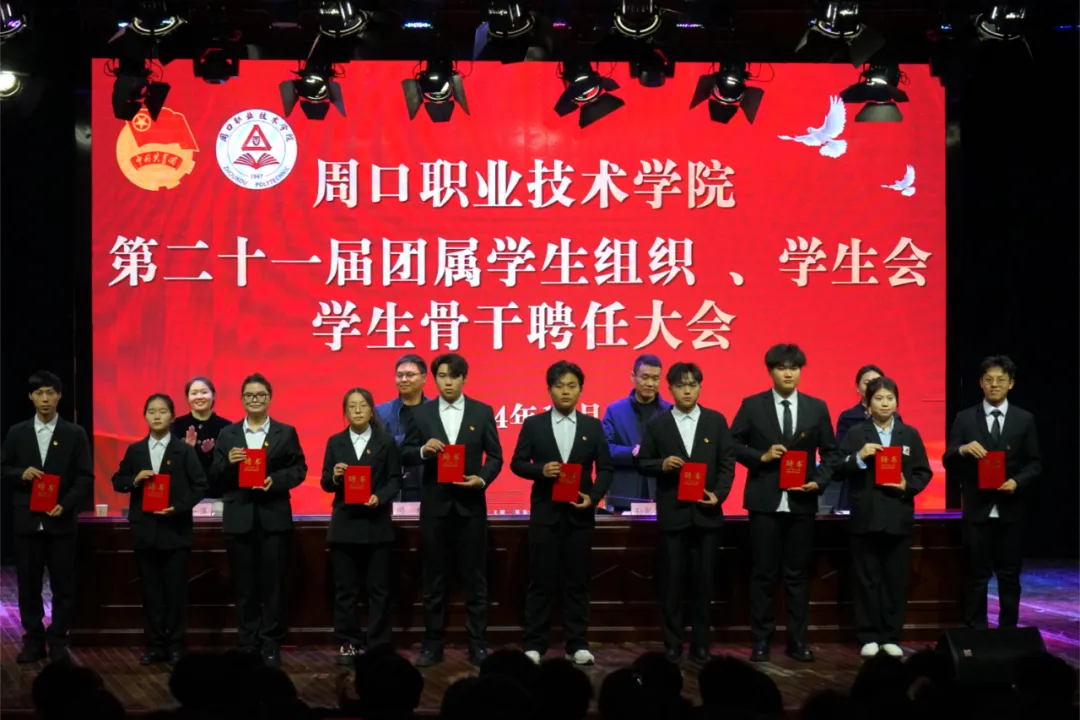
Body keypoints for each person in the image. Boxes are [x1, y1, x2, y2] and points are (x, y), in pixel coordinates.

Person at [730, 343, 838, 663]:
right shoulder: (752, 405)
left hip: (802, 501)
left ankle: (797, 640)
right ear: (770, 371)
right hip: (764, 501)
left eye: (794, 368)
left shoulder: (816, 407)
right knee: (763, 574)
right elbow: (732, 443)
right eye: (781, 367)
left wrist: (819, 481)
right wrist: (760, 457)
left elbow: (831, 453)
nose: (788, 373)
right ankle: (761, 640)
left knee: (797, 575)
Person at [401, 353, 503, 667]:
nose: (448, 382)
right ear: (434, 379)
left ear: (463, 379)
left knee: (475, 579)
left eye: (454, 376)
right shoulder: (422, 413)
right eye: (442, 376)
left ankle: (478, 644)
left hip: (471, 507)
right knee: (434, 579)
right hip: (435, 508)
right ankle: (433, 644)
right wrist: (422, 450)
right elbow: (405, 452)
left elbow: (495, 456)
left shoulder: (481, 411)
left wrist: (481, 480)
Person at [510, 360, 614, 666]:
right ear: (549, 390)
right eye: (559, 386)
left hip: (579, 516)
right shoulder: (534, 424)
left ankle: (577, 643)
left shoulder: (592, 426)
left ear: (581, 390)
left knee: (577, 582)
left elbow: (605, 469)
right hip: (546, 515)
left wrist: (593, 498)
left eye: (571, 386)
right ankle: (534, 644)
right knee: (540, 581)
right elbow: (517, 463)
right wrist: (541, 470)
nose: (565, 391)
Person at [637, 361, 736, 663]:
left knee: (704, 584)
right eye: (681, 385)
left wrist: (718, 495)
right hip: (674, 515)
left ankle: (701, 645)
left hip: (707, 515)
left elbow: (727, 464)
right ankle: (672, 644)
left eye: (693, 385)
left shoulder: (715, 421)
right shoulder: (658, 424)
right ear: (670, 388)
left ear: (700, 387)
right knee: (672, 583)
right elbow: (643, 462)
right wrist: (662, 464)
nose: (687, 391)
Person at [211, 373, 307, 668]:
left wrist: (274, 481)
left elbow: (299, 469)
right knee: (244, 586)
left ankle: (270, 642)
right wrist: (230, 463)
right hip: (239, 518)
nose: (255, 400)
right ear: (242, 399)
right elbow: (213, 475)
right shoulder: (228, 434)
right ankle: (248, 642)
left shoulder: (285, 432)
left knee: (273, 585)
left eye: (260, 395)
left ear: (269, 398)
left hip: (273, 517)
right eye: (249, 395)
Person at [0, 370, 93, 664]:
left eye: (50, 393)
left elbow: (85, 477)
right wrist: (20, 473)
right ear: (30, 396)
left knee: (63, 585)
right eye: (39, 393)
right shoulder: (17, 432)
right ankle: (33, 640)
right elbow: (3, 468)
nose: (45, 399)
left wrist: (65, 505)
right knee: (28, 585)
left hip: (60, 521)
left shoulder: (74, 433)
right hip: (27, 520)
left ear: (59, 396)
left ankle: (59, 640)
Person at [836, 376, 932, 658]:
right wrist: (859, 456)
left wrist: (906, 485)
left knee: (895, 580)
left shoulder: (909, 434)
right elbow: (837, 469)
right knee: (866, 580)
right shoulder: (856, 434)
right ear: (868, 404)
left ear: (897, 402)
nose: (885, 403)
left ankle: (891, 635)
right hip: (865, 517)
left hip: (897, 516)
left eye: (890, 398)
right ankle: (868, 636)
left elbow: (923, 472)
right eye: (878, 398)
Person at [942, 355, 1041, 630]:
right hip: (977, 509)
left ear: (1011, 384)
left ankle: (1008, 632)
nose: (994, 384)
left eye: (1001, 380)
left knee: (1009, 575)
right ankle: (977, 632)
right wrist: (962, 449)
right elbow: (948, 459)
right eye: (989, 379)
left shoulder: (1024, 419)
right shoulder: (965, 418)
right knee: (976, 575)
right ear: (981, 383)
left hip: (1011, 509)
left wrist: (1017, 482)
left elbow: (1035, 463)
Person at [111, 393, 208, 666]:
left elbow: (200, 485)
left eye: (162, 411)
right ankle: (154, 645)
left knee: (176, 593)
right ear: (145, 416)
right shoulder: (136, 450)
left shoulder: (184, 451)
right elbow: (118, 481)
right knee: (150, 593)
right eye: (151, 411)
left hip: (175, 531)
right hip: (145, 532)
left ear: (172, 416)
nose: (156, 416)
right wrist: (135, 479)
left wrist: (178, 507)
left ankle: (176, 645)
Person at [320, 388, 402, 665]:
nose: (357, 410)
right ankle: (348, 642)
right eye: (352, 406)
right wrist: (335, 476)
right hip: (345, 524)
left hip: (376, 523)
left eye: (363, 405)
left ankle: (379, 644)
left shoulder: (386, 441)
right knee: (346, 590)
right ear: (345, 412)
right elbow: (325, 482)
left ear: (371, 410)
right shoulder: (335, 442)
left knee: (379, 589)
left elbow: (394, 479)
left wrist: (380, 497)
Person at [601, 354, 672, 513]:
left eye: (655, 378)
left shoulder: (670, 412)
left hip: (662, 494)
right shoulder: (614, 411)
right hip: (623, 495)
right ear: (633, 377)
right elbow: (605, 450)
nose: (650, 383)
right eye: (645, 377)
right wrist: (633, 451)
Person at [828, 365, 901, 514]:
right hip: (857, 486)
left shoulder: (897, 420)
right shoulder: (848, 417)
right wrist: (860, 455)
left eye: (877, 382)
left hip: (889, 489)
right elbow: (839, 457)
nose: (872, 386)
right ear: (857, 387)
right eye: (867, 383)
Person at [375, 354, 430, 503]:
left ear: (424, 378)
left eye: (410, 375)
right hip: (392, 492)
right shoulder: (380, 412)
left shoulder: (436, 411)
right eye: (399, 375)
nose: (404, 379)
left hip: (428, 488)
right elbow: (377, 450)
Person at [172, 377, 233, 499]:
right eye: (194, 393)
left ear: (213, 395)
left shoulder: (226, 427)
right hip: (184, 496)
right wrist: (186, 449)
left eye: (204, 392)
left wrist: (210, 453)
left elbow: (229, 467)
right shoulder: (175, 426)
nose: (199, 397)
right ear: (187, 398)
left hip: (217, 495)